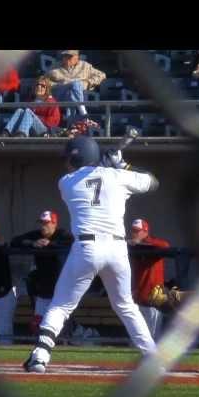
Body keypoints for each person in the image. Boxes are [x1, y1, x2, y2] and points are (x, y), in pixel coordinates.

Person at [23, 135, 160, 373]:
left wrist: (108, 167)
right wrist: (122, 165)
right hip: (117, 250)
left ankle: (40, 356)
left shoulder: (66, 182)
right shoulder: (118, 176)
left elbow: (90, 179)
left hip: (87, 248)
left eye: (69, 159)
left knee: (61, 305)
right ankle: (153, 358)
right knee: (125, 305)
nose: (66, 163)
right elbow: (152, 181)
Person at [10, 210, 73, 334]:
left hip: (61, 288)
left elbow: (72, 242)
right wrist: (33, 243)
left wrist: (51, 244)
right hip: (44, 287)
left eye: (46, 223)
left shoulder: (62, 234)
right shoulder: (37, 235)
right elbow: (15, 241)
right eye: (41, 223)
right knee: (37, 323)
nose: (43, 226)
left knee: (61, 325)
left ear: (54, 224)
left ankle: (71, 339)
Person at [128, 218, 171, 340]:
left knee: (153, 337)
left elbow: (166, 246)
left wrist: (142, 243)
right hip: (138, 298)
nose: (135, 233)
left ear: (145, 231)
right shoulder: (133, 246)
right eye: (133, 231)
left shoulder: (154, 244)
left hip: (154, 298)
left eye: (138, 231)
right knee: (138, 337)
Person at [46, 50, 106, 122]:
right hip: (60, 93)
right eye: (65, 56)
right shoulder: (55, 66)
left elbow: (102, 75)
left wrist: (87, 83)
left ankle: (70, 120)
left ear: (77, 57)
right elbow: (43, 81)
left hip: (76, 94)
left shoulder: (85, 66)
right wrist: (63, 84)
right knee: (74, 85)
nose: (66, 58)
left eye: (70, 56)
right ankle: (83, 113)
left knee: (74, 87)